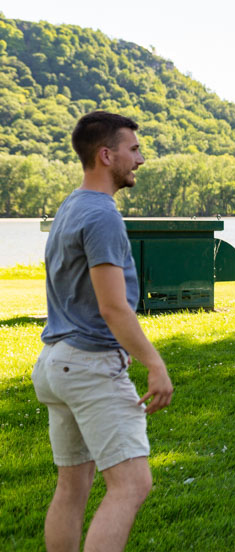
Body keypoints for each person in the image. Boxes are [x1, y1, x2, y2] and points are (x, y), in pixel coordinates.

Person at [31, 111, 174, 552]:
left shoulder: (71, 206)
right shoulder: (102, 217)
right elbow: (113, 308)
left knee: (73, 484)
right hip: (89, 366)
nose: (141, 159)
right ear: (106, 154)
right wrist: (155, 362)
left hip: (58, 362)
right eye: (133, 149)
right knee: (131, 484)